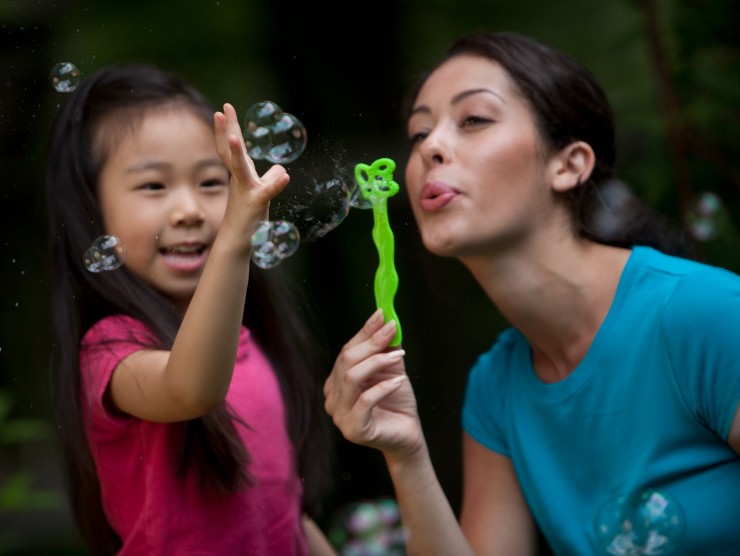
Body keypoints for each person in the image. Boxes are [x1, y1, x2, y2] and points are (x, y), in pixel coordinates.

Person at [324, 31, 740, 555]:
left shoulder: (704, 316)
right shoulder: (497, 389)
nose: (430, 146)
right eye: (417, 133)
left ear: (568, 165)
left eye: (473, 119)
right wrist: (406, 456)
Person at [46, 63, 338, 555]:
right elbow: (192, 389)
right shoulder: (112, 349)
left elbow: (286, 515)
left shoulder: (249, 345)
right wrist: (234, 239)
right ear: (92, 212)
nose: (189, 210)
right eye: (154, 187)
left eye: (210, 182)